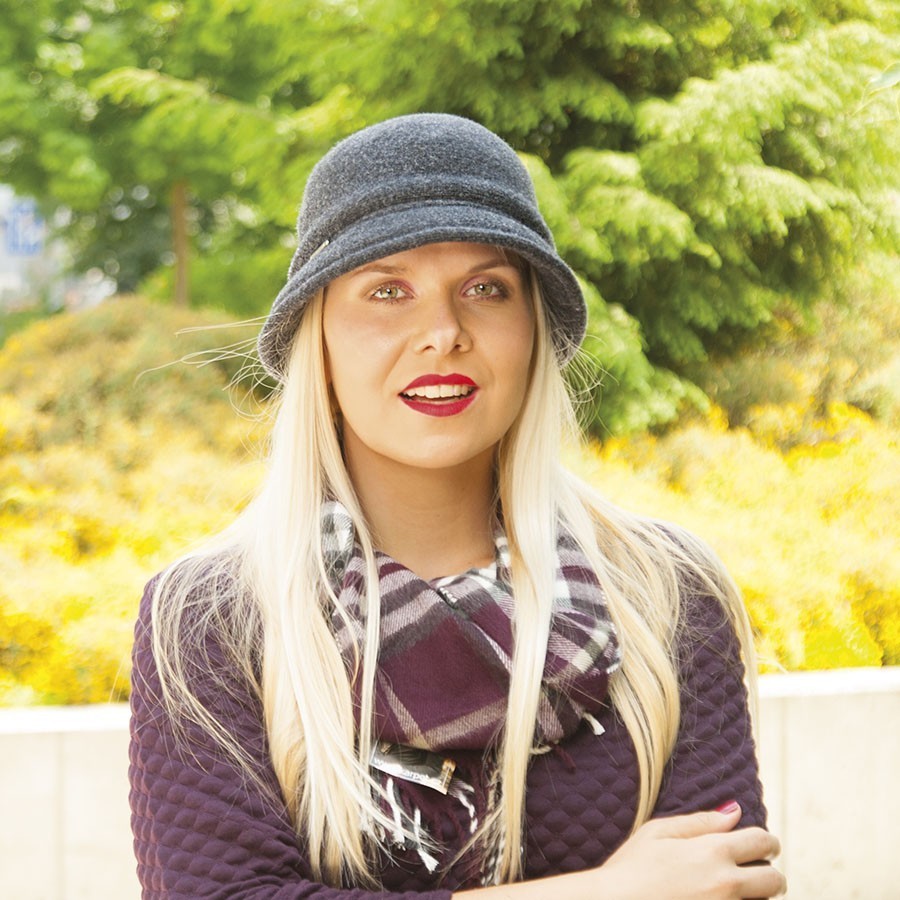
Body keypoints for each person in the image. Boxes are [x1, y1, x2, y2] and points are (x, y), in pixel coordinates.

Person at [129, 113, 786, 899]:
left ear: (533, 331)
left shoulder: (666, 592)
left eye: (486, 289)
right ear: (320, 340)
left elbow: (724, 885)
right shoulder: (210, 617)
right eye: (387, 291)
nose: (442, 333)